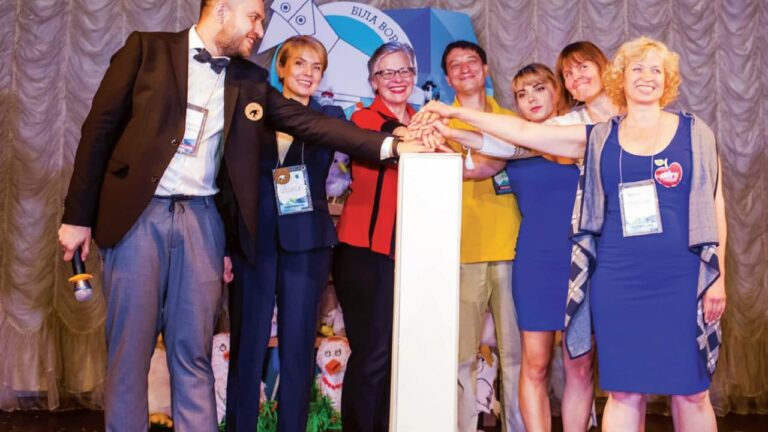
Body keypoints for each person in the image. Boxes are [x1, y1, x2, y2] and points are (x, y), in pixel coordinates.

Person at [57, 1, 429, 430]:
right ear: (222, 10)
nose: (259, 30)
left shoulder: (248, 79)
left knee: (192, 352)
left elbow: (314, 125)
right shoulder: (145, 50)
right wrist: (77, 216)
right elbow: (98, 131)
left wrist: (392, 145)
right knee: (129, 351)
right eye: (253, 18)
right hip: (140, 215)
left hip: (202, 218)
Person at [417, 36, 727, 431]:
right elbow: (520, 136)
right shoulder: (595, 134)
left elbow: (715, 207)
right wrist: (450, 115)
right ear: (620, 76)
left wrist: (717, 277)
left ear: (667, 79)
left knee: (691, 389)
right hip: (617, 275)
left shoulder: (695, 132)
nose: (646, 77)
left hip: (681, 275)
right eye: (636, 69)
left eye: (655, 70)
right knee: (624, 390)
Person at [223, 35, 362, 432]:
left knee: (298, 347)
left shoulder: (329, 115)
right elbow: (228, 179)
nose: (308, 73)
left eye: (316, 67)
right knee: (248, 345)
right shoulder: (252, 112)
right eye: (299, 63)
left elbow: (360, 140)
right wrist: (227, 245)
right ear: (280, 68)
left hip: (307, 245)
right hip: (253, 240)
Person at [332, 41, 420, 432]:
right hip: (364, 252)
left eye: (404, 71)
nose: (397, 79)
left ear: (414, 77)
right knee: (372, 354)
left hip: (412, 254)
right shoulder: (362, 118)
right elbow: (385, 135)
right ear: (372, 81)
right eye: (387, 72)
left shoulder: (423, 119)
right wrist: (416, 133)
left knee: (398, 355)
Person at [439, 40, 524, 432]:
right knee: (461, 357)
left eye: (471, 61)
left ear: (486, 69)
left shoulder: (512, 120)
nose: (464, 69)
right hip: (461, 250)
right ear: (447, 78)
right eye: (455, 65)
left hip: (512, 249)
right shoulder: (440, 124)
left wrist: (479, 164)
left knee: (516, 356)